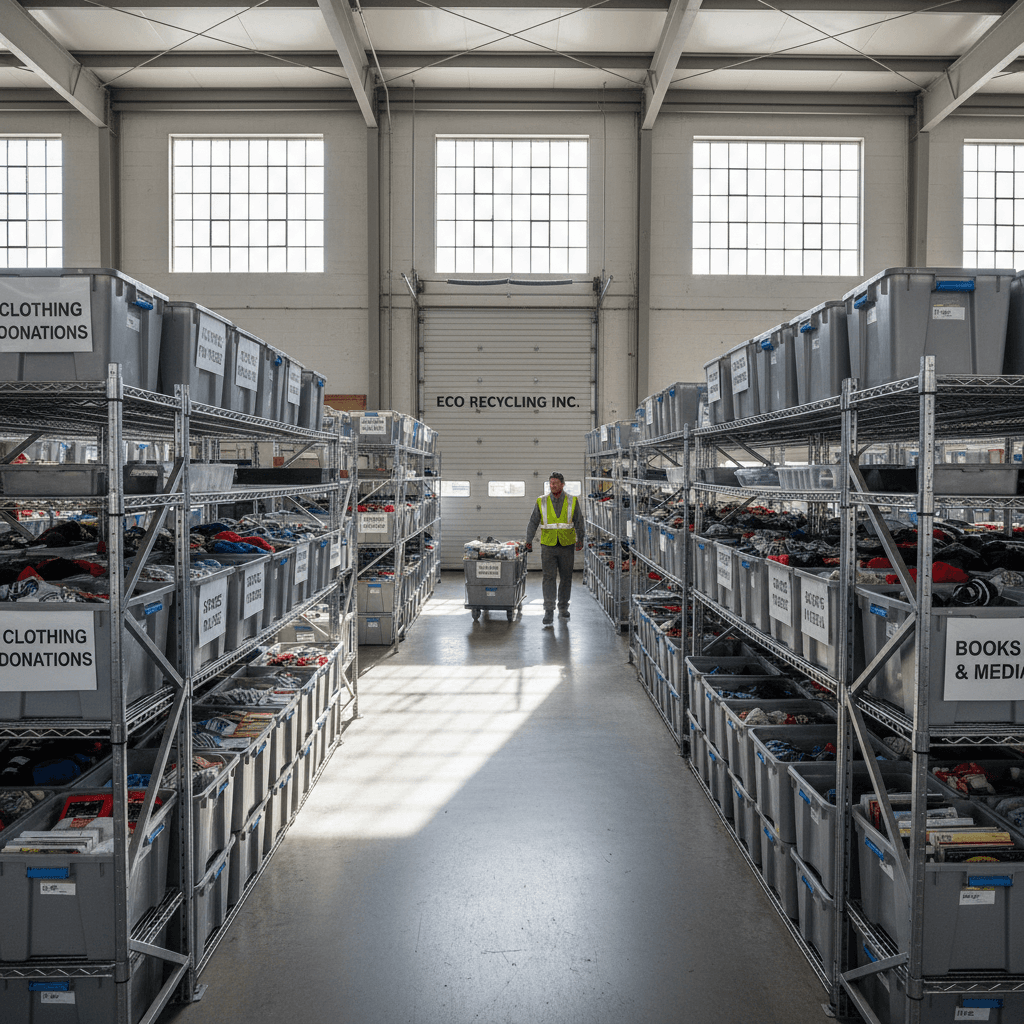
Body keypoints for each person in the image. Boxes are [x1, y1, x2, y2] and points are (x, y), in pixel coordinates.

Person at [524, 472, 584, 625]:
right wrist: (528, 540)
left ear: (563, 484)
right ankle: (549, 610)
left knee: (566, 578)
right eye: (551, 483)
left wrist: (580, 539)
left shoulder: (572, 500)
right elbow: (533, 521)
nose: (553, 485)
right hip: (548, 545)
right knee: (548, 578)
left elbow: (579, 521)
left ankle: (563, 608)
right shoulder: (541, 501)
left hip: (567, 545)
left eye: (556, 483)